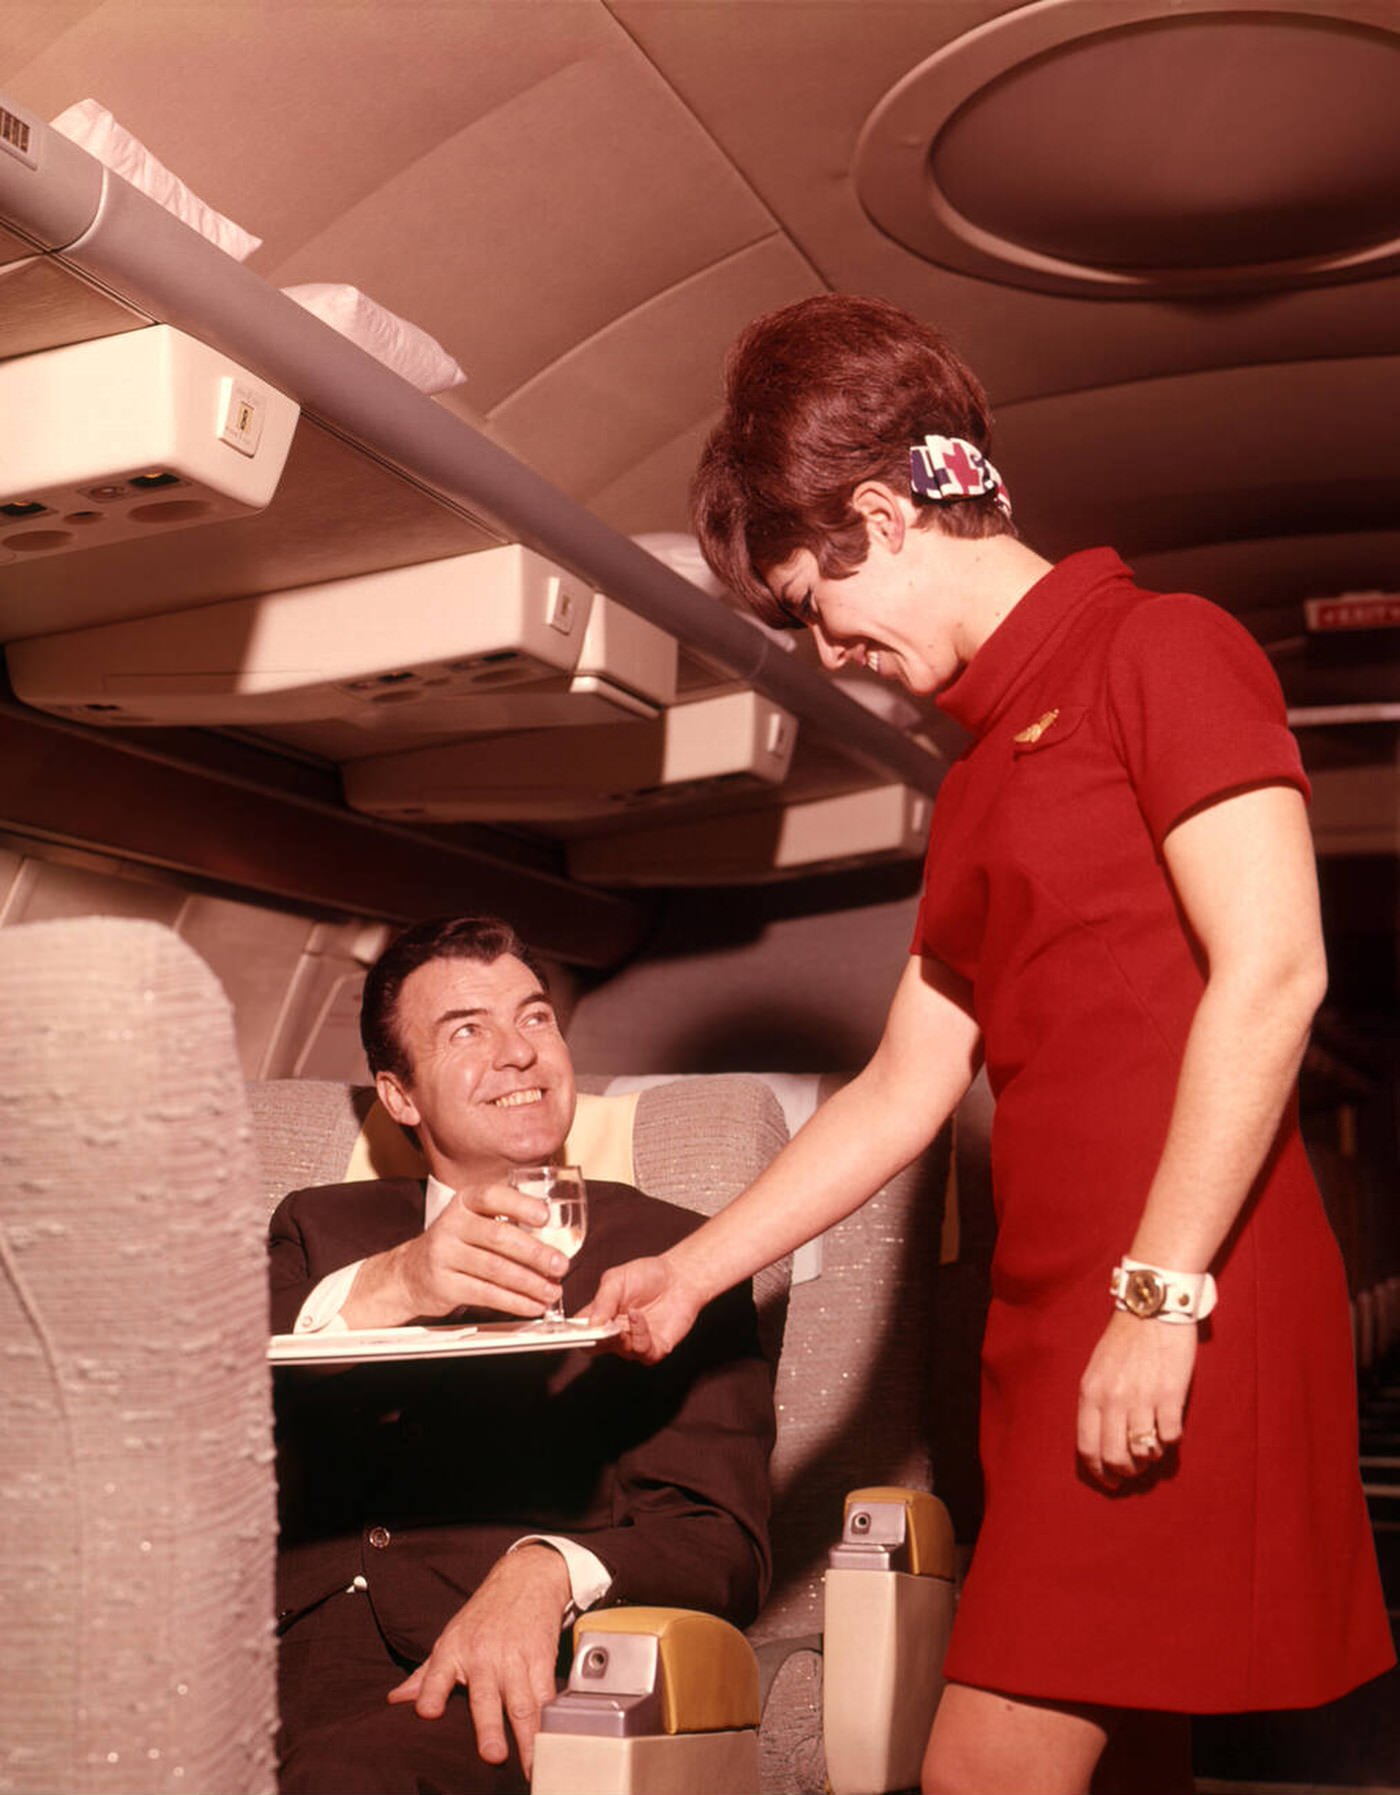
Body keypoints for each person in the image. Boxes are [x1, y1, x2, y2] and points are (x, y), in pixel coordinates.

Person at [589, 294, 1394, 1795]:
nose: (834, 653)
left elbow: (1275, 971)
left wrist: (1160, 1297)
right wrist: (694, 1267)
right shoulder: (975, 784)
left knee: (984, 1764)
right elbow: (905, 1086)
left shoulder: (1167, 648)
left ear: (887, 515)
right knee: (1124, 1745)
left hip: (1180, 1296)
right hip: (1058, 1321)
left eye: (820, 607)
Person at [268, 914, 775, 1795]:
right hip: (249, 1655)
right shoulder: (319, 1227)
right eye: (468, 1028)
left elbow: (721, 1538)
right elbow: (189, 1401)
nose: (519, 1052)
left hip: (466, 1676)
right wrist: (397, 1284)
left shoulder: (678, 1255)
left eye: (535, 1017)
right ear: (400, 1096)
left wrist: (547, 1569)